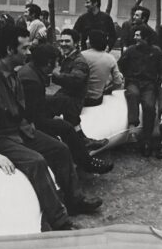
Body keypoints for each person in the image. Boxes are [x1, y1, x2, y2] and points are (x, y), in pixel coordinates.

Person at [0, 21, 101, 232]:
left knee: (60, 149)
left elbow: (20, 112)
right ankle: (60, 221)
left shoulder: (14, 74)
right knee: (37, 162)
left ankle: (75, 200)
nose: (29, 53)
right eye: (24, 48)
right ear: (9, 50)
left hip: (19, 131)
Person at [19, 44, 113, 174]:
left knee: (64, 101)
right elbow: (33, 115)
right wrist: (53, 123)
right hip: (29, 120)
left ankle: (81, 137)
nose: (57, 64)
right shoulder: (32, 81)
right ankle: (87, 162)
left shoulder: (31, 70)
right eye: (56, 62)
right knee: (66, 127)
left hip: (34, 108)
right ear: (48, 63)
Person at [46, 29, 108, 150]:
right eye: (61, 40)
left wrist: (54, 75)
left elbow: (76, 80)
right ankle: (82, 140)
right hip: (67, 95)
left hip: (73, 99)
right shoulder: (68, 57)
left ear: (76, 43)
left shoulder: (79, 62)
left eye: (67, 41)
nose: (63, 43)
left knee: (42, 111)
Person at [118, 26, 162, 156]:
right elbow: (120, 64)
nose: (135, 38)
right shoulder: (131, 50)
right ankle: (133, 129)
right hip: (133, 82)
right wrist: (127, 76)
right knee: (133, 94)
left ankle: (147, 140)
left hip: (149, 84)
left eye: (138, 35)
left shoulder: (156, 52)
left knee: (149, 106)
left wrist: (161, 82)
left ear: (146, 38)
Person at [81, 29, 123, 107]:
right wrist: (107, 90)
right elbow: (118, 82)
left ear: (91, 42)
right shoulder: (110, 58)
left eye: (88, 39)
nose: (86, 41)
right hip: (96, 100)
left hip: (79, 99)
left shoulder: (81, 55)